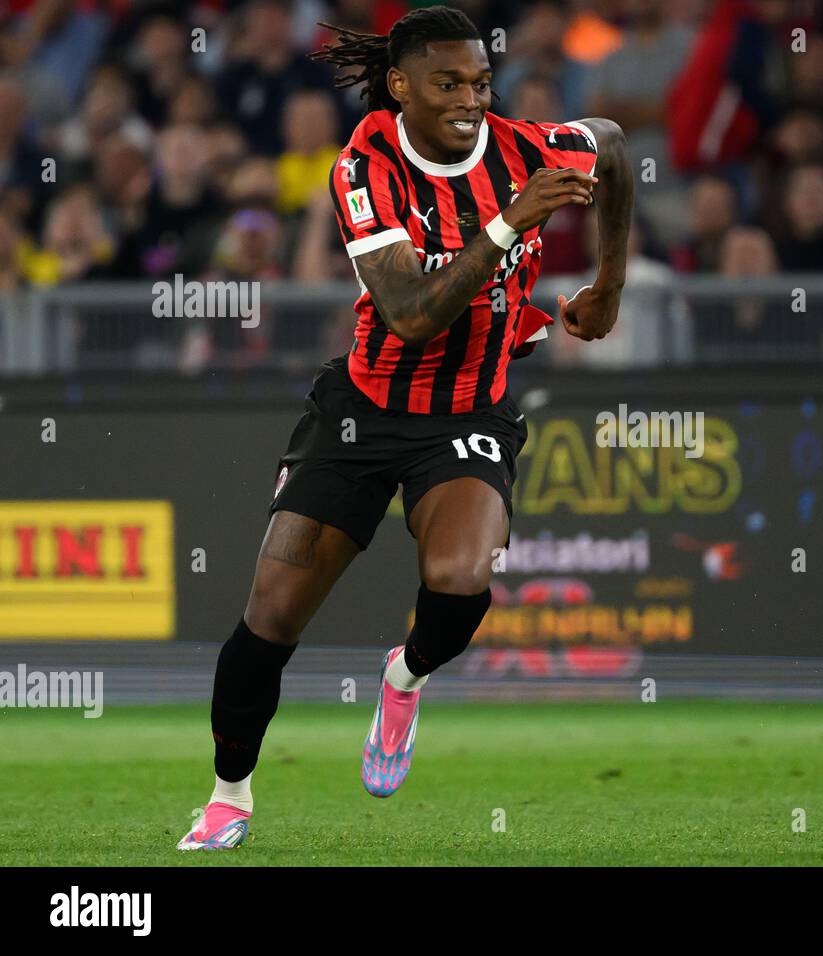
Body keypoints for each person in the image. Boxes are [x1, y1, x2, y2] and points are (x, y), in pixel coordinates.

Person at [177, 6, 631, 851]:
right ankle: (228, 795)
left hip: (469, 410)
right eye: (448, 83)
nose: (471, 99)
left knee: (460, 577)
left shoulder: (531, 146)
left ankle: (404, 674)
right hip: (365, 407)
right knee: (271, 615)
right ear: (400, 86)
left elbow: (609, 143)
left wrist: (609, 284)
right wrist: (509, 222)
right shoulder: (365, 166)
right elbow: (412, 316)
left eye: (481, 83)